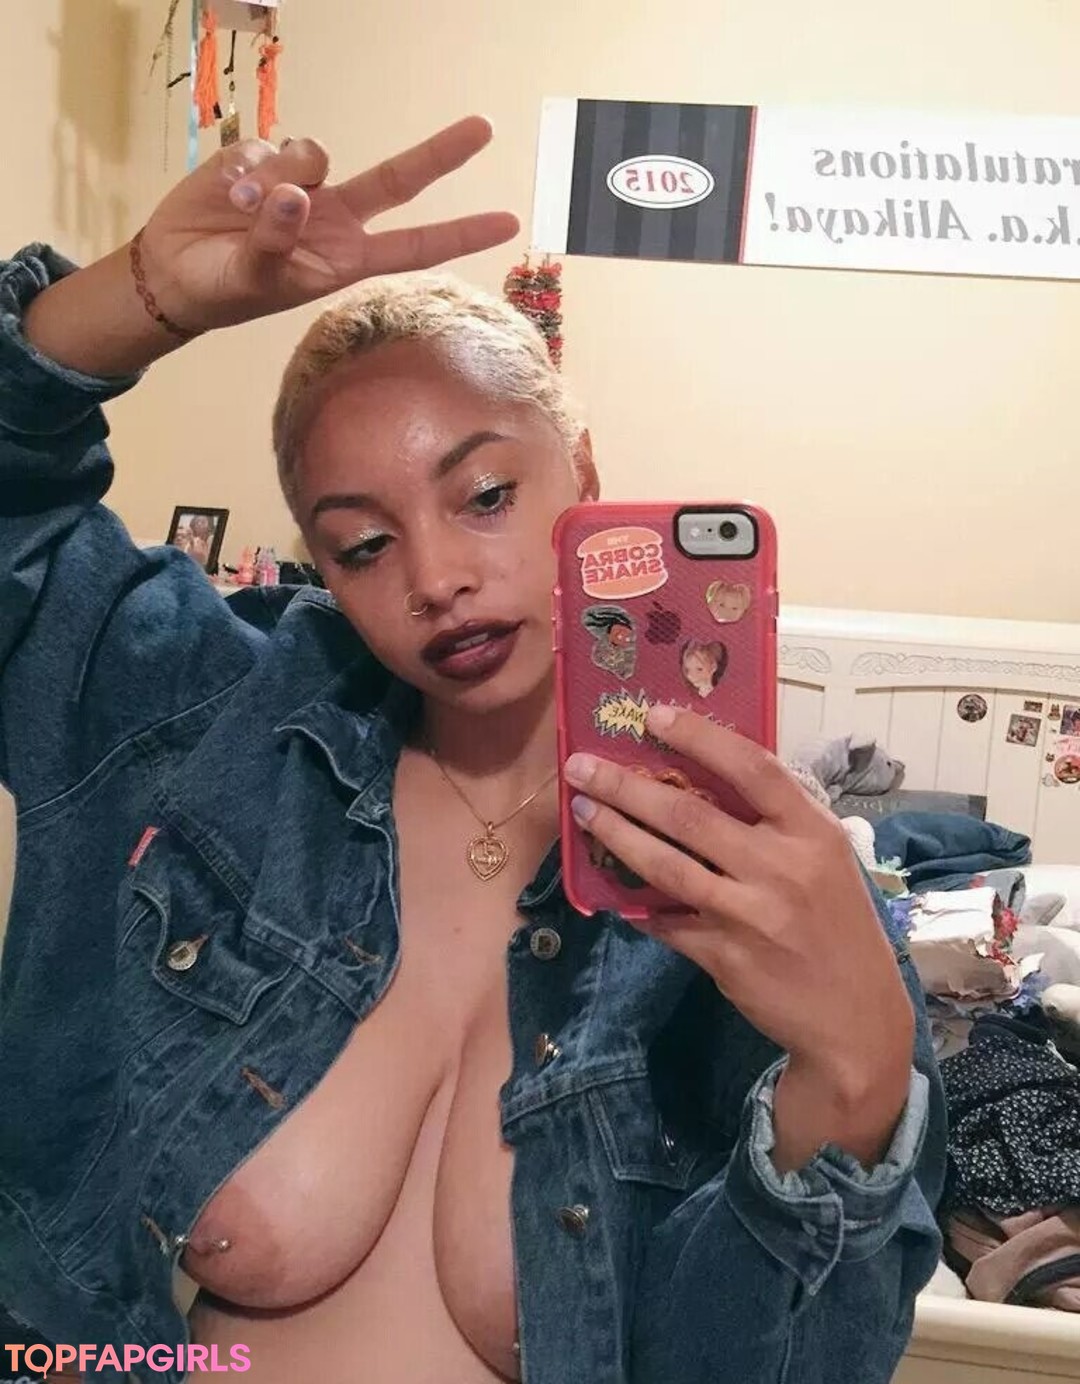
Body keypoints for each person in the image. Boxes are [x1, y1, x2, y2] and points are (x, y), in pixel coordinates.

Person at [0, 117, 945, 1384]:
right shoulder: (216, 725)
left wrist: (858, 1074)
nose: (437, 577)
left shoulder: (757, 889)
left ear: (584, 477)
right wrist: (142, 298)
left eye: (485, 496)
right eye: (363, 544)